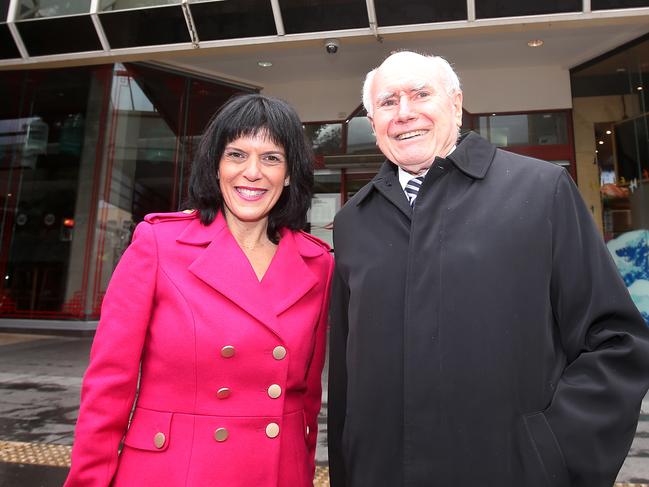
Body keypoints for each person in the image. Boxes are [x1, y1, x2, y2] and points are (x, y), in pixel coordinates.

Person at [327, 51, 649, 487]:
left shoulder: (541, 192)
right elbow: (347, 375)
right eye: (388, 102)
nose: (405, 113)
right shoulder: (353, 222)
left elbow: (616, 341)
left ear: (456, 104)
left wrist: (552, 454)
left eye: (421, 94)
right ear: (373, 119)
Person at [64, 94, 333, 487]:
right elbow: (109, 387)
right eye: (237, 154)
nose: (253, 172)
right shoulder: (158, 244)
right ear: (216, 165)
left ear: (290, 174)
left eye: (271, 158)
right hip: (175, 473)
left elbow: (307, 401)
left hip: (277, 472)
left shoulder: (317, 264)